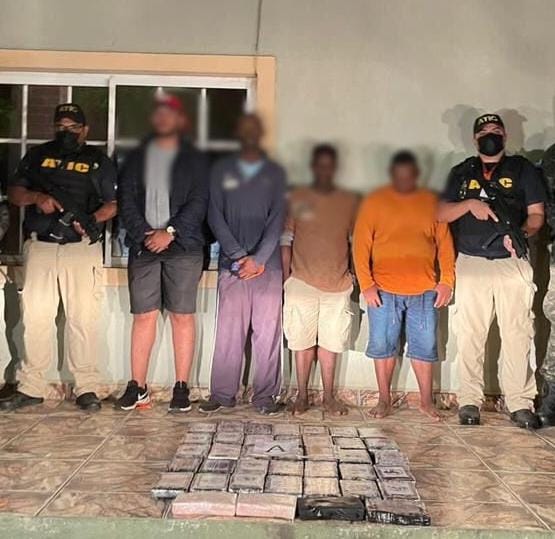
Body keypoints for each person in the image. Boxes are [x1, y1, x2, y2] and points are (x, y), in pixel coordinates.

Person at [1, 103, 117, 412]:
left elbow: (113, 204)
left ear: (85, 129)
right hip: (41, 247)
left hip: (81, 249)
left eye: (73, 127)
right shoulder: (37, 156)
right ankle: (31, 386)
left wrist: (90, 220)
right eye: (61, 126)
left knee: (83, 319)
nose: (67, 131)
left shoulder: (98, 161)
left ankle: (86, 387)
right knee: (35, 319)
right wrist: (37, 197)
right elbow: (15, 193)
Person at [438, 113, 547, 428]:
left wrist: (521, 235)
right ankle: (469, 401)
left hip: (512, 262)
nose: (490, 135)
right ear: (475, 139)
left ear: (505, 136)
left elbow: (536, 214)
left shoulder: (523, 170)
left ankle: (520, 403)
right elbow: (441, 212)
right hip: (471, 262)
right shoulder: (462, 172)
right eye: (484, 131)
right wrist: (469, 205)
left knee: (518, 333)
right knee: (470, 334)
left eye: (496, 130)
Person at [115, 94, 208, 412]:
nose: (163, 119)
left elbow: (199, 201)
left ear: (180, 121)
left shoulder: (195, 159)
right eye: (159, 114)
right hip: (144, 246)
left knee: (182, 316)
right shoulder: (136, 158)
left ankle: (181, 387)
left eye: (170, 114)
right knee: (144, 316)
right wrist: (146, 233)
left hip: (183, 247)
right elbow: (126, 200)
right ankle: (137, 387)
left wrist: (169, 232)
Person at [353, 150, 455, 420]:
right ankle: (384, 400)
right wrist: (366, 284)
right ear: (391, 175)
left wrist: (446, 281)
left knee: (425, 347)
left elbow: (445, 245)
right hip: (382, 290)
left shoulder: (431, 202)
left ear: (416, 175)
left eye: (409, 175)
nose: (404, 180)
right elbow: (360, 246)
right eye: (399, 175)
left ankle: (426, 402)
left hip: (424, 290)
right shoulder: (374, 202)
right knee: (382, 345)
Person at [200, 113, 286, 416]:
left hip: (268, 268)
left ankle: (266, 396)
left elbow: (278, 219)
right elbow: (214, 215)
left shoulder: (275, 173)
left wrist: (259, 259)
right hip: (232, 267)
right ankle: (222, 394)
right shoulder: (220, 170)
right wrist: (239, 255)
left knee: (268, 335)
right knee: (228, 335)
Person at [281, 144, 358, 416]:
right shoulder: (298, 198)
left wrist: (353, 274)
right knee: (301, 343)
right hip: (301, 281)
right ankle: (301, 396)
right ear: (313, 167)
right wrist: (286, 278)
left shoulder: (348, 201)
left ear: (335, 168)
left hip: (337, 284)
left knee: (331, 344)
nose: (325, 170)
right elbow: (286, 240)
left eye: (329, 165)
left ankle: (329, 398)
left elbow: (354, 242)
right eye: (320, 165)